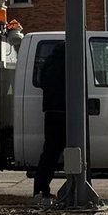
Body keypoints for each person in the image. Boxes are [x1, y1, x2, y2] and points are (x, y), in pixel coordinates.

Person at [33, 42, 66, 204]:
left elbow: (43, 83)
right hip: (65, 111)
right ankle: (73, 187)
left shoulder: (49, 63)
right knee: (73, 151)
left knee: (50, 153)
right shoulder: (68, 63)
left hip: (51, 111)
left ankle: (40, 188)